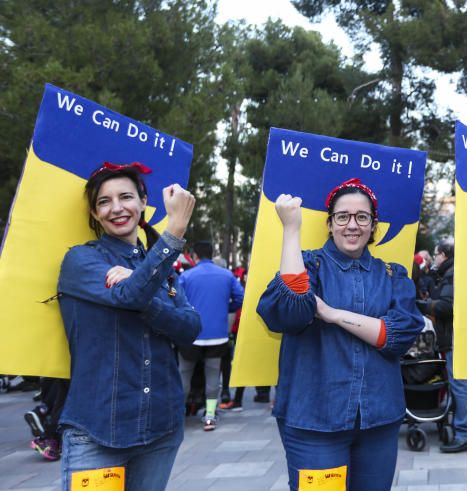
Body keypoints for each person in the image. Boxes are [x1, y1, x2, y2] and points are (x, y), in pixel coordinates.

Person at [257, 177, 424, 491]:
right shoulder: (307, 265)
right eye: (343, 216)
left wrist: (333, 315)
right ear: (330, 223)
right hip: (314, 423)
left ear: (373, 225)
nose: (353, 225)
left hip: (379, 421)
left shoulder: (392, 275)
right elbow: (290, 311)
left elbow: (397, 336)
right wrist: (291, 230)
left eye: (362, 217)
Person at [58, 161, 200, 490]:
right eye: (104, 202)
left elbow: (190, 328)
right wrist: (175, 230)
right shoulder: (81, 261)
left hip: (161, 428)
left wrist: (145, 296)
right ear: (94, 214)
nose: (117, 208)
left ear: (143, 201)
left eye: (125, 197)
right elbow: (130, 296)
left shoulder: (161, 269)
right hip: (97, 431)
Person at [177, 240, 245, 431]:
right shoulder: (227, 275)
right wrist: (226, 308)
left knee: (184, 375)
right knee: (213, 375)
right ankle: (209, 416)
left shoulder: (187, 276)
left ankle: (178, 417)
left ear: (195, 256)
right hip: (218, 334)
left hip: (191, 334)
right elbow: (240, 297)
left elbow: (176, 300)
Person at [416, 239, 467, 452]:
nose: (435, 258)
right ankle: (462, 429)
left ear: (444, 254)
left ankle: (465, 434)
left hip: (453, 338)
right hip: (455, 337)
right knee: (459, 385)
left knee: (460, 385)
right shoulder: (450, 272)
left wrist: (422, 305)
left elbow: (446, 306)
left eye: (437, 254)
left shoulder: (452, 273)